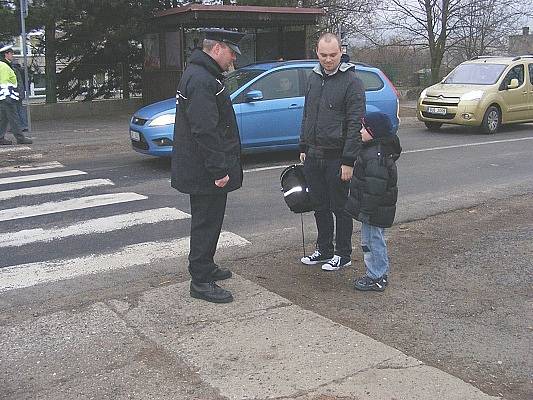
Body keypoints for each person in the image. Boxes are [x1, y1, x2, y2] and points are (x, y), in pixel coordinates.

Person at [171, 28, 245, 304]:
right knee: (206, 222)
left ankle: (206, 266)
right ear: (217, 49)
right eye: (231, 54)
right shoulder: (202, 80)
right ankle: (200, 280)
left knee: (210, 220)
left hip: (201, 167)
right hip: (205, 170)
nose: (232, 61)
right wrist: (219, 169)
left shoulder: (201, 75)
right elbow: (205, 129)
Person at [299, 33, 366, 271]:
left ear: (341, 52)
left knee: (340, 207)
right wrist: (303, 146)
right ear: (316, 53)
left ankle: (343, 254)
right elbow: (307, 115)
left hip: (337, 157)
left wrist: (348, 160)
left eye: (333, 55)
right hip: (313, 155)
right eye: (323, 55)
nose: (328, 60)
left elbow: (354, 124)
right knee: (319, 205)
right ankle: (324, 249)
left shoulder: (352, 82)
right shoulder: (313, 79)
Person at [345, 112, 402, 292]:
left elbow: (375, 188)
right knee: (370, 240)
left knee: (373, 241)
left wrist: (366, 211)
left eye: (364, 128)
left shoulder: (376, 157)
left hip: (374, 211)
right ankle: (374, 273)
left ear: (374, 132)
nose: (360, 131)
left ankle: (377, 275)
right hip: (373, 210)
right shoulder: (372, 152)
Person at [0, 44, 32, 145]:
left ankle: (0, 138)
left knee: (3, 118)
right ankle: (20, 138)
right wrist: (8, 97)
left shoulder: (4, 65)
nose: (13, 55)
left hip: (5, 97)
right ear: (6, 54)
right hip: (7, 97)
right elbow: (4, 83)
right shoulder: (4, 66)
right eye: (11, 53)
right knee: (14, 118)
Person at [11, 59, 28, 132]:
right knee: (20, 109)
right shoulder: (20, 70)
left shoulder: (13, 70)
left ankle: (20, 126)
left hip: (16, 93)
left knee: (16, 110)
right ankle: (23, 125)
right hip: (20, 92)